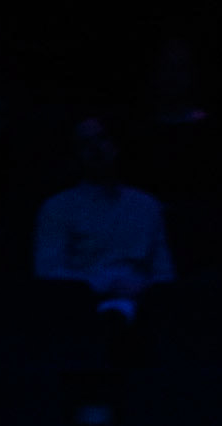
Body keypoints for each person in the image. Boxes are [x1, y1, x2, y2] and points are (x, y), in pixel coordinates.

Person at [33, 117, 174, 312]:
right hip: (81, 308)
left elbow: (164, 271)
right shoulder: (57, 207)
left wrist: (144, 287)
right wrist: (102, 285)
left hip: (144, 306)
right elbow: (48, 271)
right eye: (85, 144)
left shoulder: (147, 205)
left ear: (115, 145)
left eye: (102, 139)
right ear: (75, 154)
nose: (96, 149)